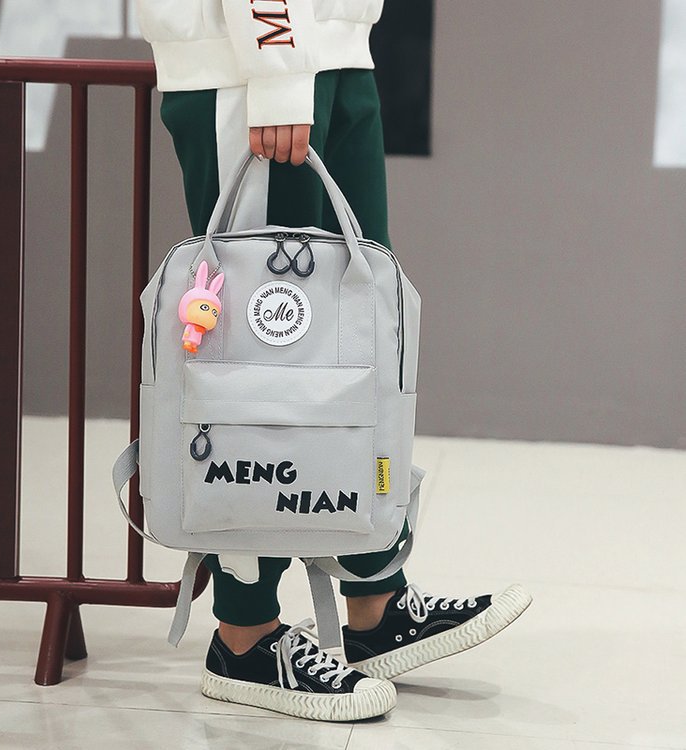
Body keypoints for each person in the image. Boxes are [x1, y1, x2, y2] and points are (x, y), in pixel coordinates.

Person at [136, 0, 532, 722]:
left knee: (357, 342)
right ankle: (245, 633)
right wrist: (279, 69)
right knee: (258, 363)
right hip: (257, 61)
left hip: (333, 48)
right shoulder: (271, 70)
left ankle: (374, 597)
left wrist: (317, 59)